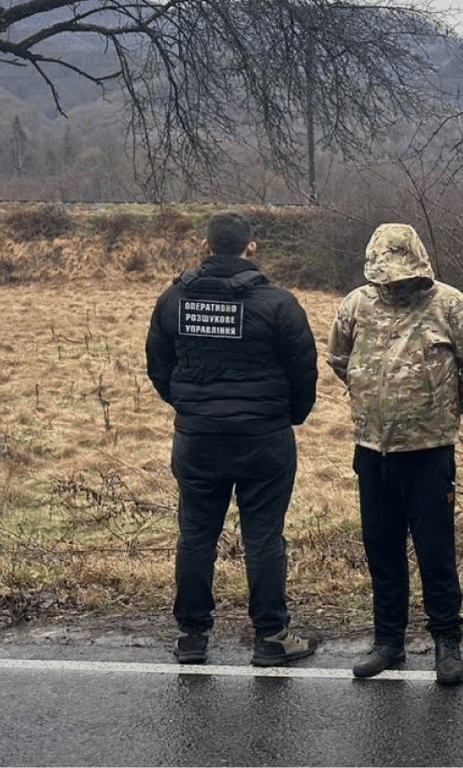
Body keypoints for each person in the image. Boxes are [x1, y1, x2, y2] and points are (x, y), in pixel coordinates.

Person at [146, 210, 320, 667]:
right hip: (264, 438)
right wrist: (288, 417)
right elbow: (304, 372)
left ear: (205, 247)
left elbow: (158, 367)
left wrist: (191, 408)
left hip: (197, 439)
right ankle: (272, 637)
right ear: (251, 248)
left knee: (195, 536)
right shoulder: (279, 303)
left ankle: (192, 637)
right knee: (264, 536)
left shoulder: (173, 300)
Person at [326, 223, 463, 686]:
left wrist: (442, 407)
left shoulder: (450, 305)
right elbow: (339, 359)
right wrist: (371, 401)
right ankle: (388, 642)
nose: (395, 284)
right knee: (382, 550)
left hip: (429, 451)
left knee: (436, 552)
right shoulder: (356, 305)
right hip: (372, 449)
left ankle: (447, 641)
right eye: (387, 277)